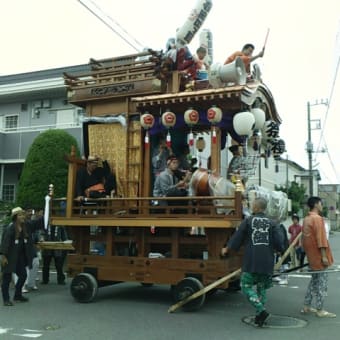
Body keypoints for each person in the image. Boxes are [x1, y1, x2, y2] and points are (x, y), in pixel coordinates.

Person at [221, 197, 284, 327]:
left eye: (252, 205)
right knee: (261, 288)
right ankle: (259, 315)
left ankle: (261, 310)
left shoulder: (248, 221)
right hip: (267, 262)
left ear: (255, 208)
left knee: (246, 286)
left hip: (252, 261)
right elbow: (279, 243)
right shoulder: (273, 223)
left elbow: (237, 237)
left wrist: (227, 248)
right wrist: (279, 250)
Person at [0, 207, 44, 306]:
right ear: (15, 217)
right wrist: (3, 256)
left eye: (23, 215)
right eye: (20, 215)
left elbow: (36, 223)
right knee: (6, 278)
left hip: (19, 257)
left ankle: (17, 295)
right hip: (9, 256)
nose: (22, 217)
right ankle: (6, 299)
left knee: (23, 275)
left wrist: (47, 212)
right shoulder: (10, 228)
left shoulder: (26, 226)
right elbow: (5, 243)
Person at [301, 196, 336, 318]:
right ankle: (320, 309)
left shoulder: (306, 219)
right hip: (319, 256)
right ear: (316, 204)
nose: (322, 206)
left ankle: (306, 305)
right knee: (321, 283)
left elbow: (304, 240)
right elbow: (321, 239)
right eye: (321, 203)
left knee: (314, 282)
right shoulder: (317, 219)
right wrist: (324, 256)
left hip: (311, 256)